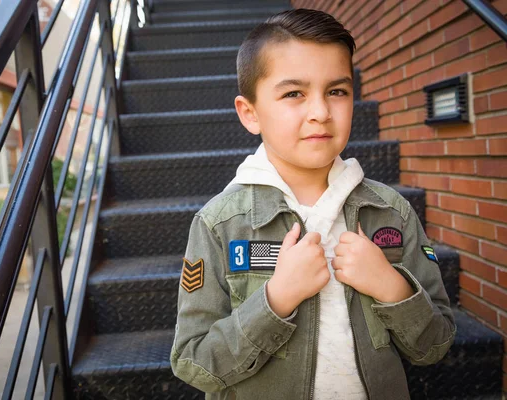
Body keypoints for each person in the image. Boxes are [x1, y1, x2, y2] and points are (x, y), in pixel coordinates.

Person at [170, 8, 455, 400]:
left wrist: (392, 287)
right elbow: (194, 362)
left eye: (337, 91)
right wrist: (276, 300)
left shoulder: (390, 211)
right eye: (294, 94)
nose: (320, 113)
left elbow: (436, 344)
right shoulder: (221, 224)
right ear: (249, 113)